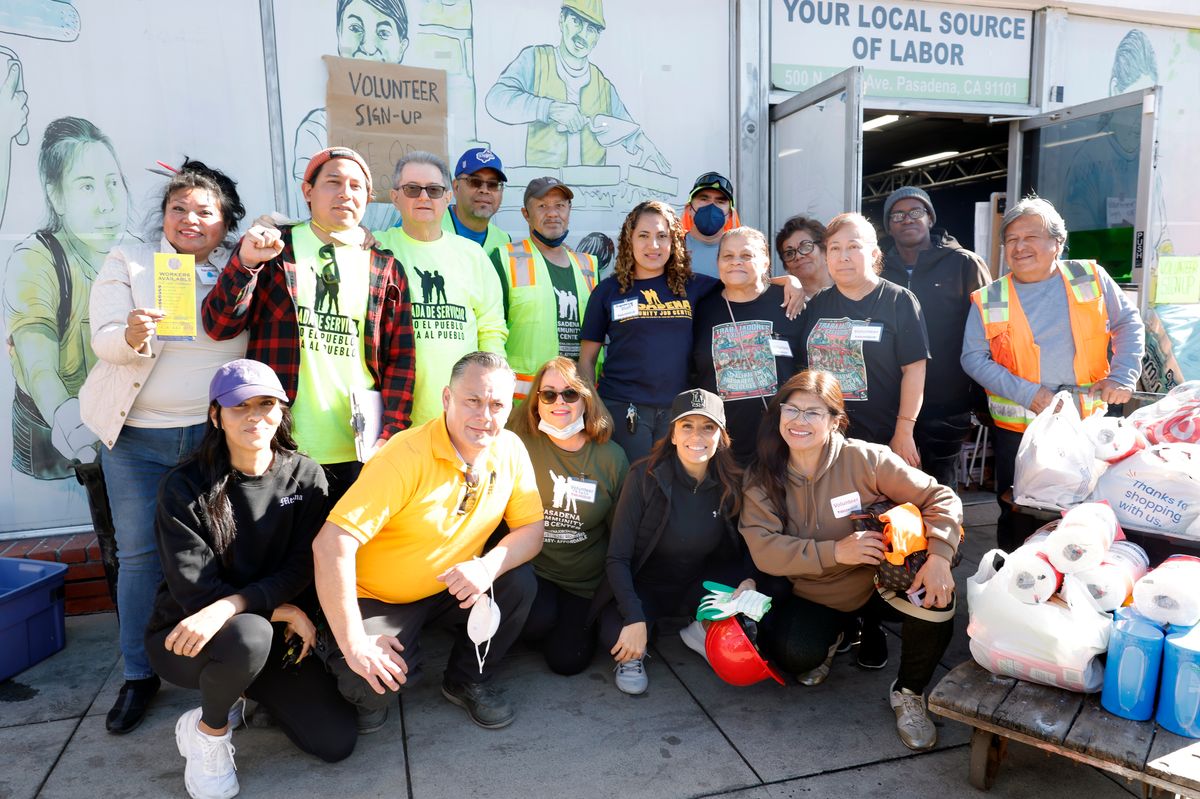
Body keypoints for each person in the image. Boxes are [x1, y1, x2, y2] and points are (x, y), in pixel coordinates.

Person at [79, 159, 248, 735]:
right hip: (135, 440)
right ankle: (137, 675)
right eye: (179, 208)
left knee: (225, 551)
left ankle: (230, 666)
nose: (189, 219)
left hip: (212, 439)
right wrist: (129, 336)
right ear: (164, 215)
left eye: (205, 210)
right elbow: (103, 339)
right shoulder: (131, 260)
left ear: (226, 221)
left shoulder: (243, 269)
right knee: (139, 557)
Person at [148, 360, 357, 799]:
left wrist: (261, 609)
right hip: (190, 635)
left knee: (336, 741)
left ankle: (245, 691)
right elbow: (194, 589)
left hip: (271, 635)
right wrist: (275, 608)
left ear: (282, 411)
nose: (254, 416)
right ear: (215, 416)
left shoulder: (306, 475)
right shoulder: (183, 487)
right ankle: (209, 731)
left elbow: (305, 565)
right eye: (238, 406)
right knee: (249, 635)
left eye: (266, 404)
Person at [313, 352, 544, 732]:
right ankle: (339, 643)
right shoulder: (404, 455)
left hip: (447, 585)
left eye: (497, 404)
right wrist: (355, 643)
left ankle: (467, 679)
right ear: (446, 399)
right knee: (372, 685)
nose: (485, 416)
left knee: (517, 581)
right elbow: (331, 543)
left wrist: (487, 566)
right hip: (379, 596)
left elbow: (532, 531)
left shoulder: (511, 450)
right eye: (473, 400)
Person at [740, 369, 961, 751]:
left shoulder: (867, 459)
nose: (799, 421)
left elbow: (941, 498)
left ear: (835, 420)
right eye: (791, 410)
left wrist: (940, 555)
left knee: (937, 600)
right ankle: (840, 632)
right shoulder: (763, 477)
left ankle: (908, 692)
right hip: (822, 590)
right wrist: (836, 551)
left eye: (813, 412)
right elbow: (764, 548)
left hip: (886, 580)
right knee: (794, 655)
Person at [202, 146, 416, 503]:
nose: (345, 193)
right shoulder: (275, 247)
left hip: (359, 449)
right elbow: (219, 325)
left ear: (368, 199)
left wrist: (391, 429)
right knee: (284, 555)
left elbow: (401, 359)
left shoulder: (384, 266)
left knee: (351, 555)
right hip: (278, 444)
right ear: (308, 191)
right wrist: (247, 263)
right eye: (333, 182)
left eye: (356, 186)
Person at [961, 197, 1144, 551]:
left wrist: (1123, 374)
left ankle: (1076, 585)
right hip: (1021, 430)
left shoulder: (1089, 277)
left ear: (1057, 243)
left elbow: (1127, 322)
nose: (1020, 246)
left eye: (1031, 236)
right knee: (1019, 512)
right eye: (1011, 239)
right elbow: (973, 358)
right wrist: (1030, 394)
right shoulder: (990, 297)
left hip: (1088, 425)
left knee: (1085, 512)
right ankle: (1014, 581)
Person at [581, 201, 804, 464]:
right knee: (632, 486)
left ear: (673, 240)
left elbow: (741, 280)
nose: (653, 245)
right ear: (629, 239)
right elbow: (586, 360)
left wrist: (789, 281)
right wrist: (591, 409)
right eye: (643, 235)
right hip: (623, 409)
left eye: (662, 236)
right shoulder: (608, 291)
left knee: (672, 488)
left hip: (680, 413)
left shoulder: (694, 286)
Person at [592, 388, 753, 695]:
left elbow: (743, 547)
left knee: (754, 604)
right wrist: (634, 616)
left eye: (708, 427)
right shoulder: (643, 477)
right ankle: (637, 647)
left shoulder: (731, 482)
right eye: (687, 426)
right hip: (646, 586)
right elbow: (617, 558)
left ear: (721, 436)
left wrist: (747, 581)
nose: (698, 436)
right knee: (615, 636)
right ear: (674, 435)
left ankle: (698, 629)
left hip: (696, 584)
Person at [4, 116, 130, 479]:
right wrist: (65, 414)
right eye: (86, 187)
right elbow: (37, 361)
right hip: (53, 439)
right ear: (56, 195)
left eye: (112, 183)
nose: (107, 203)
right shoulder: (35, 258)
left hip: (125, 427)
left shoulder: (137, 254)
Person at [510, 356, 628, 675]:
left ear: (586, 399)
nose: (559, 402)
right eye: (549, 394)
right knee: (535, 625)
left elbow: (622, 535)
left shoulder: (611, 458)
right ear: (537, 402)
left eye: (570, 394)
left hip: (584, 580)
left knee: (567, 661)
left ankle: (580, 621)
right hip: (536, 571)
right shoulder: (518, 444)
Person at [373, 151, 508, 424]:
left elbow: (491, 329)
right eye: (412, 189)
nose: (424, 197)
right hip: (393, 414)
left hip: (460, 417)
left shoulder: (473, 255)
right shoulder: (376, 248)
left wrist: (492, 389)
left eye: (434, 190)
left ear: (447, 197)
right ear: (395, 197)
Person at [880, 186, 992, 488]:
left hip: (947, 404)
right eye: (898, 215)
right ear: (889, 226)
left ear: (930, 218)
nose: (907, 219)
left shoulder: (964, 263)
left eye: (916, 211)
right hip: (889, 405)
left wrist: (983, 400)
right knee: (894, 493)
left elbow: (990, 334)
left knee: (940, 492)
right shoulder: (877, 268)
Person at [797, 212, 928, 466]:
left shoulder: (898, 300)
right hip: (825, 440)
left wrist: (904, 431)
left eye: (853, 247)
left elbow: (915, 369)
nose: (843, 256)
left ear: (874, 254)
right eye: (835, 248)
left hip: (883, 439)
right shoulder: (817, 305)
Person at [484, 0, 669, 173]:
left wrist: (641, 141)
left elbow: (624, 127)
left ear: (597, 38)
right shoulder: (536, 59)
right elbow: (496, 100)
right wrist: (548, 109)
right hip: (545, 192)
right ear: (561, 20)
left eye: (591, 29)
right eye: (576, 21)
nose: (582, 35)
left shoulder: (602, 85)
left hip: (592, 197)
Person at [291, 0, 410, 228]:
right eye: (356, 28)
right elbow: (309, 216)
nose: (367, 47)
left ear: (402, 45)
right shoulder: (317, 129)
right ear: (339, 35)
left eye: (383, 32)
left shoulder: (420, 135)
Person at [692, 227, 804, 466]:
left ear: (765, 262)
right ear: (718, 262)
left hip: (782, 445)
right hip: (720, 446)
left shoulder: (788, 301)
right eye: (728, 256)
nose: (736, 262)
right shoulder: (701, 308)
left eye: (746, 255)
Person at [491, 177, 598, 400]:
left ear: (569, 211)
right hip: (524, 404)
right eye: (542, 206)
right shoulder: (504, 258)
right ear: (525, 214)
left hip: (576, 401)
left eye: (560, 205)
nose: (552, 213)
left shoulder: (588, 265)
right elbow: (490, 333)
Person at [444, 147, 511, 259]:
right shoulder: (428, 224)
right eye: (475, 182)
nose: (484, 190)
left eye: (493, 184)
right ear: (456, 187)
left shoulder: (504, 241)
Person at [682, 172, 741, 279]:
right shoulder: (671, 248)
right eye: (704, 199)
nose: (711, 206)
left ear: (730, 214)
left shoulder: (742, 254)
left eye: (720, 201)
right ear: (689, 209)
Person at [775, 215, 830, 300]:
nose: (798, 256)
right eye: (789, 253)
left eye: (805, 246)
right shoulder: (779, 301)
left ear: (825, 249)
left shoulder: (850, 291)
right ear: (786, 266)